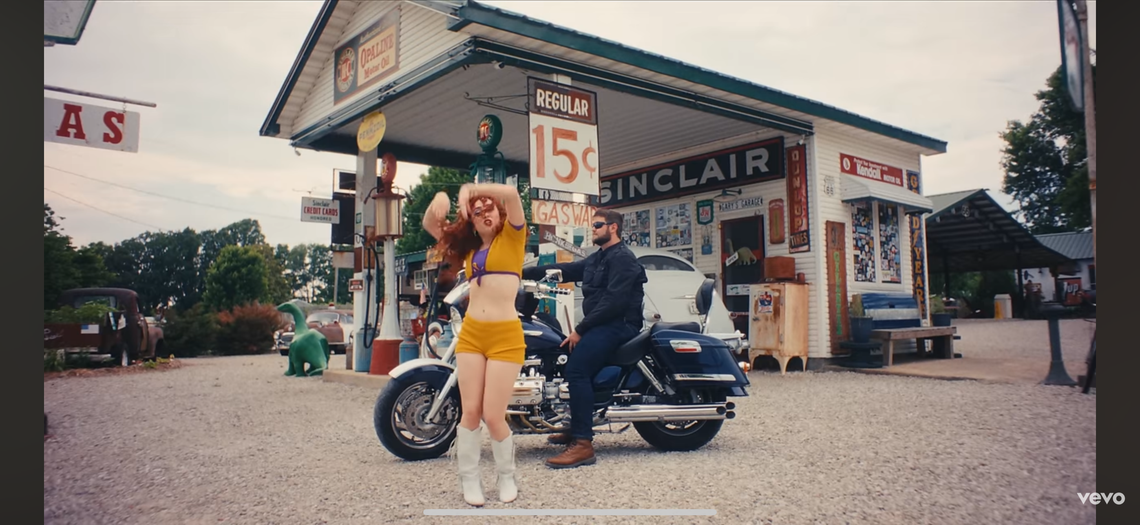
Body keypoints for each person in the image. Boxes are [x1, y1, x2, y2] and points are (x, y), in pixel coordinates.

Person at [422, 182, 529, 507]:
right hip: (471, 334)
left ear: (499, 214)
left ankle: (506, 475)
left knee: (493, 415)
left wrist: (472, 189)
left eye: (489, 208)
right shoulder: (468, 248)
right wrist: (441, 199)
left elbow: (511, 195)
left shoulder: (513, 236)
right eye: (477, 210)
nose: (484, 213)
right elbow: (430, 223)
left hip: (506, 337)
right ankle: (469, 479)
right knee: (469, 411)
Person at [521, 209, 648, 469]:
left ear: (613, 228)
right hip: (602, 323)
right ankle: (577, 423)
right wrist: (520, 273)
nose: (594, 229)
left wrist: (580, 330)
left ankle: (582, 445)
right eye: (594, 225)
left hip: (619, 324)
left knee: (577, 369)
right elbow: (566, 269)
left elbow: (614, 302)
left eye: (598, 225)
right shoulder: (597, 258)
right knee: (564, 362)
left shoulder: (623, 258)